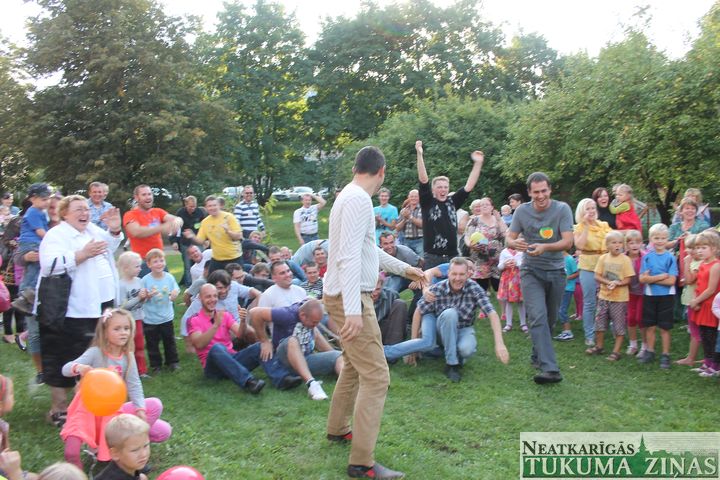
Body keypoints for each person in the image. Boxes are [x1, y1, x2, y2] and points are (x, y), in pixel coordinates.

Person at [323, 145, 425, 479]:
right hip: (351, 298)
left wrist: (407, 269)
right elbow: (349, 258)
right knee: (377, 375)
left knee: (354, 364)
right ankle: (362, 463)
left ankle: (337, 428)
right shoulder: (357, 200)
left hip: (344, 295)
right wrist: (353, 310)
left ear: (357, 167)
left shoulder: (350, 197)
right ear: (381, 172)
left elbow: (368, 252)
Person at [37, 195, 124, 427]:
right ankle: (59, 408)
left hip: (100, 306)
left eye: (86, 209)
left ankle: (91, 403)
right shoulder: (57, 235)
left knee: (95, 355)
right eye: (78, 209)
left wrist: (114, 230)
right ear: (64, 213)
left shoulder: (92, 230)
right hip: (71, 310)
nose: (84, 212)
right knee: (64, 356)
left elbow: (109, 245)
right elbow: (49, 265)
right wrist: (82, 254)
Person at [60, 309, 171, 469]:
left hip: (114, 412)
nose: (123, 332)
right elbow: (65, 369)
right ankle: (107, 452)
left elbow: (134, 385)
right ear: (105, 332)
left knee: (162, 428)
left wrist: (140, 409)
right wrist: (79, 368)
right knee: (71, 451)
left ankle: (130, 447)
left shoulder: (128, 357)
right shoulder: (96, 352)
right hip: (90, 411)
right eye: (117, 329)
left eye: (126, 328)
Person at [506, 172, 574, 384]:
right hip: (531, 271)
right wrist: (513, 243)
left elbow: (568, 242)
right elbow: (509, 237)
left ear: (550, 189)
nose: (541, 195)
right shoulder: (522, 211)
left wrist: (545, 247)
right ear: (529, 192)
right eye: (536, 192)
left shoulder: (562, 209)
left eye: (544, 191)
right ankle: (550, 369)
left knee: (550, 319)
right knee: (537, 316)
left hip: (556, 271)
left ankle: (538, 354)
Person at [187, 284, 300, 394]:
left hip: (232, 359)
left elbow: (240, 335)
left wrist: (242, 321)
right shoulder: (194, 320)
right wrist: (215, 325)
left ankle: (282, 379)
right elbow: (199, 344)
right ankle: (249, 382)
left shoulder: (224, 315)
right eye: (208, 296)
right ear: (200, 298)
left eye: (215, 296)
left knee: (260, 346)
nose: (212, 300)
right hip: (213, 368)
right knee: (217, 348)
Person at [417, 257, 509, 382]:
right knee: (450, 314)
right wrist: (425, 289)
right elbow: (419, 309)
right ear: (448, 273)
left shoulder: (474, 288)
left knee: (466, 349)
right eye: (454, 274)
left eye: (461, 274)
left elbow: (492, 313)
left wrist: (499, 344)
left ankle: (442, 352)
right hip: (442, 330)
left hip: (464, 329)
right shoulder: (440, 287)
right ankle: (451, 365)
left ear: (468, 274)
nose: (457, 278)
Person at [251, 298, 343, 400]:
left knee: (339, 356)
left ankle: (348, 383)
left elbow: (317, 337)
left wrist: (334, 357)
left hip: (304, 359)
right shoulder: (287, 314)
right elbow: (255, 313)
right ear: (303, 315)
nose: (316, 325)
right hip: (283, 360)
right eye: (314, 322)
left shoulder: (310, 321)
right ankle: (312, 384)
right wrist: (264, 341)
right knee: (293, 341)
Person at [415, 140, 484, 269]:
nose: (443, 190)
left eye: (445, 187)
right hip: (432, 257)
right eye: (439, 187)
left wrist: (478, 163)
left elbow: (469, 185)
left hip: (453, 255)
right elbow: (423, 179)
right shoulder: (427, 201)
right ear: (433, 189)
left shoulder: (452, 201)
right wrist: (419, 154)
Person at [585, 231, 635, 360]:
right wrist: (608, 282)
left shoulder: (625, 260)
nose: (617, 245)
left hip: (619, 299)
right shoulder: (603, 258)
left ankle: (616, 351)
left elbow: (628, 279)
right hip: (603, 297)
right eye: (614, 242)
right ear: (607, 245)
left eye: (620, 243)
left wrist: (617, 283)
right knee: (599, 323)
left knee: (619, 325)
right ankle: (599, 346)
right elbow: (597, 275)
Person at [572, 198, 613, 346]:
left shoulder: (604, 225)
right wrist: (586, 226)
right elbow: (580, 245)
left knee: (608, 299)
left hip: (606, 265)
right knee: (589, 302)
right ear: (582, 212)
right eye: (588, 209)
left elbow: (614, 241)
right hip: (588, 266)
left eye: (593, 208)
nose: (591, 211)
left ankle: (608, 328)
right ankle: (589, 335)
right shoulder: (578, 227)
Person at [637, 224, 678, 368]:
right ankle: (650, 351)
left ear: (667, 239)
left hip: (666, 296)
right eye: (656, 238)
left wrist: (650, 279)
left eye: (663, 238)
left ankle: (665, 354)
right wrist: (660, 277)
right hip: (650, 295)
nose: (660, 241)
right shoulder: (647, 257)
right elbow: (642, 279)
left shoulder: (670, 258)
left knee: (665, 327)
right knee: (650, 325)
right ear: (651, 239)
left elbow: (671, 281)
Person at [122, 185, 183, 277]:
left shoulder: (158, 211)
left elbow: (177, 219)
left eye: (149, 194)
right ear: (136, 197)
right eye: (144, 195)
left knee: (166, 285)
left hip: (159, 260)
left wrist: (177, 222)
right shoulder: (130, 215)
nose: (148, 197)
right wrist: (161, 227)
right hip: (142, 263)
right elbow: (136, 232)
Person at [12, 183, 51, 314]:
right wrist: (53, 240)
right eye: (44, 199)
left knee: (36, 269)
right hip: (31, 243)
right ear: (33, 199)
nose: (47, 202)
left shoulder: (39, 212)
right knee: (35, 268)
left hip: (35, 243)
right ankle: (25, 294)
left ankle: (27, 295)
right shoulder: (33, 212)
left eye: (48, 199)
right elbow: (40, 231)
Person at [140, 248, 180, 375]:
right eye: (155, 261)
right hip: (150, 318)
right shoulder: (145, 280)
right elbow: (141, 298)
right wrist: (147, 296)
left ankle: (172, 361)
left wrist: (174, 294)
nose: (159, 264)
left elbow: (176, 289)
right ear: (149, 264)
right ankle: (156, 365)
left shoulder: (169, 277)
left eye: (161, 260)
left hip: (166, 317)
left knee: (169, 341)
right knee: (152, 344)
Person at [183, 195, 243, 275]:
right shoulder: (205, 222)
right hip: (217, 259)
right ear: (206, 208)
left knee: (236, 280)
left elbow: (239, 236)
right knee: (212, 281)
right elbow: (200, 241)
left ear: (219, 206)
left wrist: (228, 231)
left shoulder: (229, 217)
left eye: (214, 205)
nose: (212, 208)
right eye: (210, 206)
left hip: (233, 257)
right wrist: (192, 236)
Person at [688, 230, 720, 376]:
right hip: (701, 305)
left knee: (711, 336)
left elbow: (711, 289)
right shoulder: (702, 264)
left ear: (714, 248)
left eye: (703, 247)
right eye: (697, 248)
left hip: (710, 307)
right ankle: (707, 363)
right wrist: (695, 300)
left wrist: (696, 300)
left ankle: (715, 366)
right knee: (704, 336)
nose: (699, 251)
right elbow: (699, 285)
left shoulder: (716, 265)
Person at [463, 197, 506, 297]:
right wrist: (470, 244)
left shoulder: (498, 220)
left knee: (499, 288)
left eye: (487, 204)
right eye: (482, 205)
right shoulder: (474, 220)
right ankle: (482, 305)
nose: (484, 206)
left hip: (496, 260)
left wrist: (499, 220)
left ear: (492, 207)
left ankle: (501, 306)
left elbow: (506, 234)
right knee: (481, 289)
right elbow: (467, 236)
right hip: (480, 259)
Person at [117, 252, 148, 377]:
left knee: (139, 345)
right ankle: (126, 371)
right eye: (136, 266)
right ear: (126, 268)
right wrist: (138, 298)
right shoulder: (121, 285)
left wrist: (145, 297)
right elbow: (122, 306)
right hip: (126, 322)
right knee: (127, 347)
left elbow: (142, 301)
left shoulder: (139, 281)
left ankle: (141, 371)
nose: (140, 269)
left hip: (138, 318)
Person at [96, 414, 152, 480]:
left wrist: (139, 476)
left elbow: (137, 471)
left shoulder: (131, 464)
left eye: (145, 446)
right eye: (135, 450)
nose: (143, 454)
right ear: (115, 453)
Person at [171, 196, 207, 287]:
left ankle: (202, 280)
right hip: (185, 242)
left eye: (194, 206)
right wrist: (174, 241)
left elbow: (204, 226)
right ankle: (189, 284)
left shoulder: (200, 212)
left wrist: (205, 239)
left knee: (200, 261)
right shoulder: (180, 213)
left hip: (197, 240)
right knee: (187, 265)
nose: (193, 208)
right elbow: (175, 228)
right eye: (190, 206)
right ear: (186, 205)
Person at [676, 234, 701, 365]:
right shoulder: (695, 262)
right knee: (694, 330)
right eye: (689, 248)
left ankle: (691, 358)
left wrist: (686, 263)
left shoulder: (697, 263)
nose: (690, 251)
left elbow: (690, 279)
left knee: (695, 331)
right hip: (691, 300)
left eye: (693, 248)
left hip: (695, 301)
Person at [624, 230, 646, 356]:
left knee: (640, 318)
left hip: (643, 292)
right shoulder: (623, 258)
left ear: (641, 244)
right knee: (630, 318)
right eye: (631, 243)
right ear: (626, 245)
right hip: (629, 292)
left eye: (637, 242)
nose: (634, 245)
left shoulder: (645, 257)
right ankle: (633, 344)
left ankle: (645, 345)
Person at [497, 241, 526, 333]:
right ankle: (508, 323)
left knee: (521, 302)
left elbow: (525, 264)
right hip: (508, 279)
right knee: (508, 301)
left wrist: (516, 263)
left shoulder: (522, 252)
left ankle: (523, 323)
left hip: (519, 278)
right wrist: (505, 265)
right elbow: (499, 266)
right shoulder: (504, 252)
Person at [371, 278, 407, 346]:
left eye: (378, 289)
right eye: (371, 290)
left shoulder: (391, 294)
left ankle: (393, 348)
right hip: (364, 331)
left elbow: (400, 319)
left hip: (383, 331)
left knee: (400, 304)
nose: (374, 293)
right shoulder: (358, 297)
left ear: (382, 286)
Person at [554, 250, 579, 341]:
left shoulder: (569, 259)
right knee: (557, 309)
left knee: (562, 310)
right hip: (558, 288)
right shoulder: (557, 258)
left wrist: (566, 278)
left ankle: (568, 332)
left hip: (567, 289)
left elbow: (577, 272)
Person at [395, 189, 423, 257]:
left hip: (420, 240)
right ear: (408, 197)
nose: (413, 198)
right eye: (412, 196)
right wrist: (404, 219)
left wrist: (410, 217)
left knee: (421, 260)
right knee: (407, 261)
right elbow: (397, 228)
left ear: (419, 197)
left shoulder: (423, 209)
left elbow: (422, 224)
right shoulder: (403, 211)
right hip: (406, 241)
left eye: (416, 196)